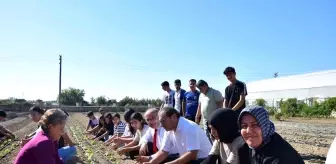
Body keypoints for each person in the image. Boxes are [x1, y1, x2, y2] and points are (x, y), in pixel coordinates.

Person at [238, 105, 304, 164]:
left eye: (255, 124)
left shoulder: (279, 157)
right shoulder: (247, 147)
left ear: (265, 126)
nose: (248, 131)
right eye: (244, 126)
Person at [145, 107, 212, 164]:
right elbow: (164, 151)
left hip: (203, 160)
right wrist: (151, 163)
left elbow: (192, 154)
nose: (161, 125)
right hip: (190, 159)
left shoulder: (190, 127)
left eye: (163, 121)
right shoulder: (169, 129)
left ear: (173, 117)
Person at [195, 79, 224, 144]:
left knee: (216, 137)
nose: (199, 90)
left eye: (200, 88)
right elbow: (199, 107)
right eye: (198, 88)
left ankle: (218, 151)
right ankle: (211, 151)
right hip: (205, 120)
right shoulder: (201, 95)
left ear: (205, 85)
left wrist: (217, 118)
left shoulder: (215, 92)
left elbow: (220, 105)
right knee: (207, 137)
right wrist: (197, 117)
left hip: (214, 120)